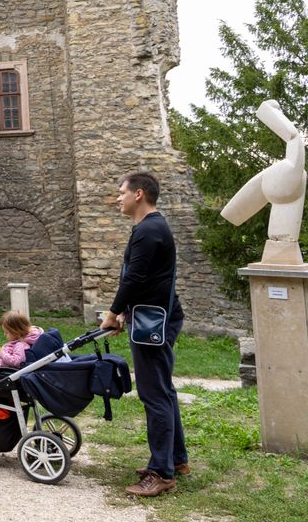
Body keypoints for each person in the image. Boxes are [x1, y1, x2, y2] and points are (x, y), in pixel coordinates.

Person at [100, 172, 188, 498]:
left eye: (121, 192)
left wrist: (112, 313)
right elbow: (147, 279)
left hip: (154, 324)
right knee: (163, 391)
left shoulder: (150, 230)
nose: (117, 198)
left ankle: (162, 472)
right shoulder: (149, 228)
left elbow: (134, 278)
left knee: (155, 395)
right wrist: (125, 313)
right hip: (151, 316)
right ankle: (176, 460)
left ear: (139, 194)